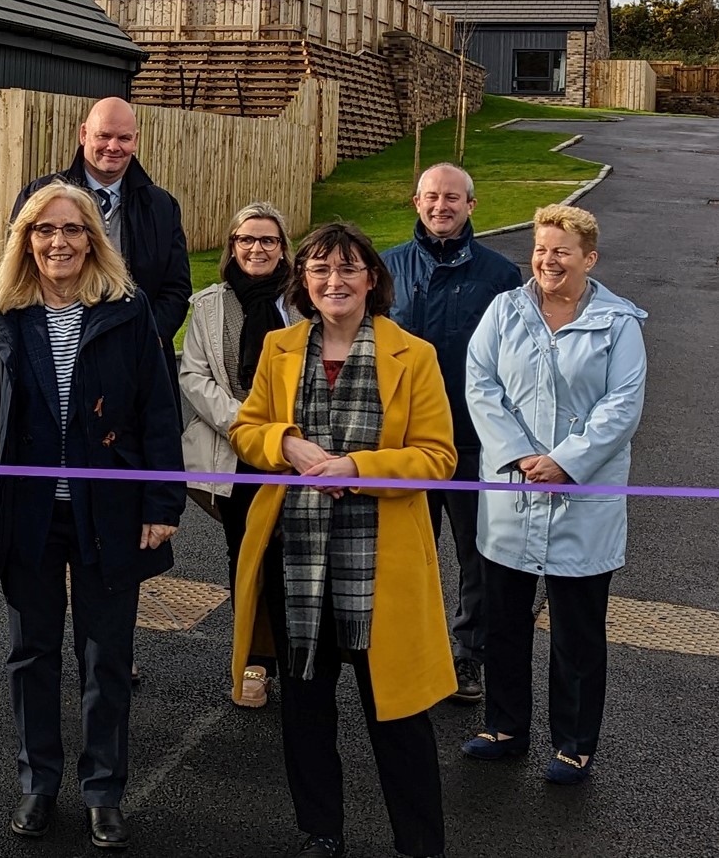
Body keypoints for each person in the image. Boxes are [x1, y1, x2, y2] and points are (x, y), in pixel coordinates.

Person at [0, 182, 184, 850]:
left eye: (72, 229)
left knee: (106, 657)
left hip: (108, 512)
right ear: (25, 239)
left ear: (93, 238)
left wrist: (162, 503)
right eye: (43, 230)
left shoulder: (128, 311)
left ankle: (103, 790)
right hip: (25, 515)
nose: (58, 242)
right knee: (31, 654)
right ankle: (37, 784)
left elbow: (159, 415)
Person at [229, 221, 456, 858]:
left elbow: (438, 458)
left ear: (372, 280)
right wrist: (287, 443)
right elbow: (247, 432)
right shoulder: (278, 347)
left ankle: (419, 842)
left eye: (349, 268)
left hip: (382, 561)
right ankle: (321, 832)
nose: (335, 281)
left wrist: (359, 467)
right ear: (303, 281)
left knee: (399, 714)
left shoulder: (415, 354)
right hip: (295, 557)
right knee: (305, 704)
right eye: (321, 269)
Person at [461, 204, 646, 785]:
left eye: (562, 251)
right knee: (504, 623)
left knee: (577, 632)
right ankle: (505, 727)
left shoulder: (620, 324)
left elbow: (623, 406)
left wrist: (566, 462)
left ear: (589, 258)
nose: (548, 260)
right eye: (541, 249)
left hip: (582, 497)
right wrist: (519, 454)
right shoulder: (505, 311)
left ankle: (573, 743)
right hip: (513, 491)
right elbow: (480, 382)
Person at [382, 163, 521, 703]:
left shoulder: (500, 276)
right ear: (415, 202)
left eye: (453, 198)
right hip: (400, 442)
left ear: (472, 205)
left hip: (470, 440)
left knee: (476, 557)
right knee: (402, 552)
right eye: (431, 197)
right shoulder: (387, 267)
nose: (442, 206)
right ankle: (402, 652)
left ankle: (468, 657)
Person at [178, 201, 301, 707]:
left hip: (297, 450)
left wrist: (288, 434)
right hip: (237, 452)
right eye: (246, 239)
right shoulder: (207, 304)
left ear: (282, 249)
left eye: (268, 240)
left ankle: (300, 661)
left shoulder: (304, 300)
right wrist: (245, 424)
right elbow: (193, 376)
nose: (256, 248)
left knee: (296, 558)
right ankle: (254, 661)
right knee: (249, 559)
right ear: (231, 246)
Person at [12, 96, 191, 370]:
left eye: (124, 138)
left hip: (136, 359)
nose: (113, 147)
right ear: (84, 134)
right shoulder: (40, 197)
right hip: (59, 353)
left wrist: (148, 337)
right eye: (104, 136)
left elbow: (176, 288)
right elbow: (19, 272)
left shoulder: (162, 207)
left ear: (136, 140)